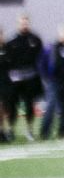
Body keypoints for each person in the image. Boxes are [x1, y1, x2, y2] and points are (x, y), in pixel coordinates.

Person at [5, 14, 44, 142]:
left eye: (26, 22)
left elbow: (40, 59)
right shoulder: (11, 42)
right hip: (15, 80)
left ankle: (29, 130)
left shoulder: (35, 40)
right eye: (22, 22)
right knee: (12, 106)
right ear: (18, 24)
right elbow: (8, 62)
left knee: (29, 105)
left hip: (30, 78)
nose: (24, 24)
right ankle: (10, 129)